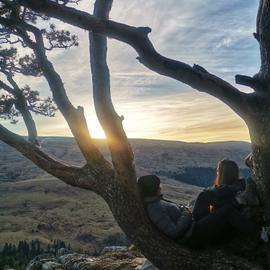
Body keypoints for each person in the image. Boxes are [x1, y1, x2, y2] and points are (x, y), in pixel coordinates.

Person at [138, 161, 259, 248]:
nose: (161, 186)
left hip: (192, 225)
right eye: (158, 185)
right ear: (153, 188)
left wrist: (184, 209)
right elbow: (173, 232)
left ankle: (239, 199)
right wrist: (186, 213)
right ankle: (259, 233)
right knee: (226, 209)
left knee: (203, 196)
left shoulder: (156, 201)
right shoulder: (155, 208)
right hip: (192, 236)